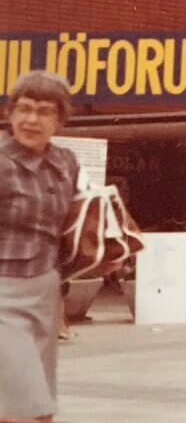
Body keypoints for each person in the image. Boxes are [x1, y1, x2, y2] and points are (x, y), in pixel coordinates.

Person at [0, 71, 80, 423]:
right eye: (25, 108)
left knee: (41, 407)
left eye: (45, 111)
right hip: (3, 295)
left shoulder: (66, 162)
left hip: (46, 293)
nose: (32, 119)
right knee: (22, 406)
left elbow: (74, 224)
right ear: (10, 112)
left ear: (59, 120)